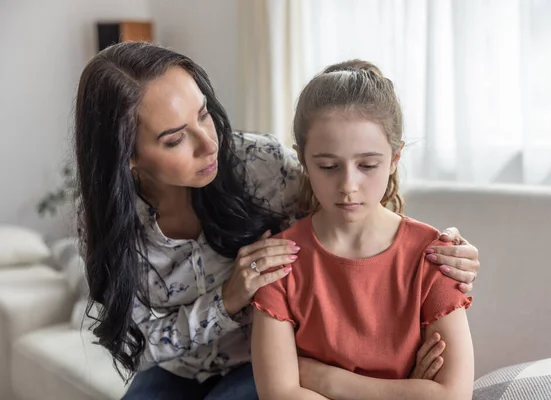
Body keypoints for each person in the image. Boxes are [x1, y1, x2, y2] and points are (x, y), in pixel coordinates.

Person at [74, 42, 480, 400]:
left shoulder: (261, 165)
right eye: (175, 138)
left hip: (266, 359)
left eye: (204, 114)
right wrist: (227, 300)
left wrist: (443, 254)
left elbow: (353, 211)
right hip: (179, 366)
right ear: (127, 155)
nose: (208, 142)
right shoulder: (110, 223)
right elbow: (136, 343)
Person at [251, 60, 474, 400]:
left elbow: (452, 395)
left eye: (368, 165)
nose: (348, 185)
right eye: (328, 166)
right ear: (303, 160)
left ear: (395, 158)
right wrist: (406, 392)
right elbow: (279, 395)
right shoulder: (281, 263)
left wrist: (325, 381)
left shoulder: (433, 256)